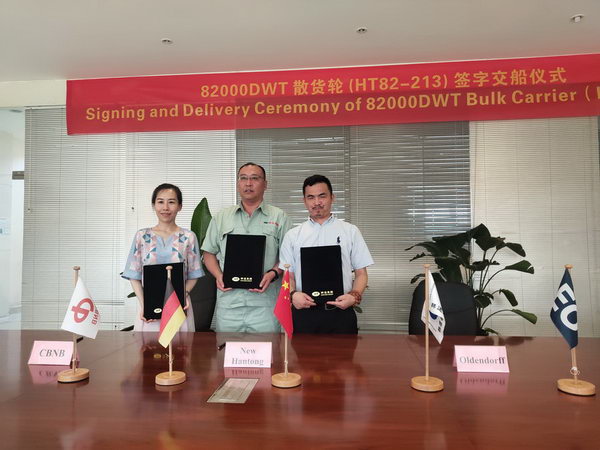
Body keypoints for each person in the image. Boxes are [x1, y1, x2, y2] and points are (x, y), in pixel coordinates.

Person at [201, 162, 291, 332]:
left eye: (255, 178)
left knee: (267, 349)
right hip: (229, 305)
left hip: (265, 305)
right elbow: (208, 253)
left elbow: (288, 257)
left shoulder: (279, 217)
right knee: (227, 349)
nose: (248, 183)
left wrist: (273, 273)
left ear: (265, 184)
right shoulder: (222, 217)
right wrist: (219, 275)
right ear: (238, 183)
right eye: (243, 178)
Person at [279, 174, 374, 333]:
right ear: (304, 201)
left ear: (332, 198)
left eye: (322, 196)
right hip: (304, 314)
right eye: (311, 197)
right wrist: (293, 294)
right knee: (303, 351)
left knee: (346, 351)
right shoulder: (293, 235)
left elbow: (361, 273)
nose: (317, 202)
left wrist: (354, 296)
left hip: (341, 313)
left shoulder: (350, 231)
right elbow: (289, 276)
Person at [122, 183, 203, 332]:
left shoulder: (189, 237)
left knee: (181, 346)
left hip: (179, 306)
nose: (165, 207)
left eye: (171, 202)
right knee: (148, 345)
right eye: (160, 202)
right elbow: (134, 275)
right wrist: (144, 304)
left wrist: (183, 296)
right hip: (149, 305)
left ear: (180, 206)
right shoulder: (142, 236)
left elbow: (194, 274)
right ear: (154, 205)